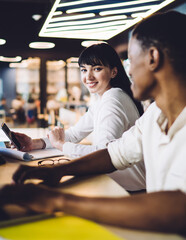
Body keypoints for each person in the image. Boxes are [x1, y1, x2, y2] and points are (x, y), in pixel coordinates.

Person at [0, 10, 185, 234]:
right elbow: (115, 153)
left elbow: (178, 208)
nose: (129, 70)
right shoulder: (155, 113)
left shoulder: (115, 98)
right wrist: (59, 170)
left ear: (153, 58)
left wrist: (58, 201)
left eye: (131, 60)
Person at [12, 43, 145, 191]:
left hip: (128, 190)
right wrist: (34, 143)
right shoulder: (103, 98)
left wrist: (61, 145)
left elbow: (103, 153)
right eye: (83, 70)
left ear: (113, 72)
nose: (88, 77)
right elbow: (75, 134)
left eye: (97, 69)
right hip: (117, 184)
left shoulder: (113, 98)